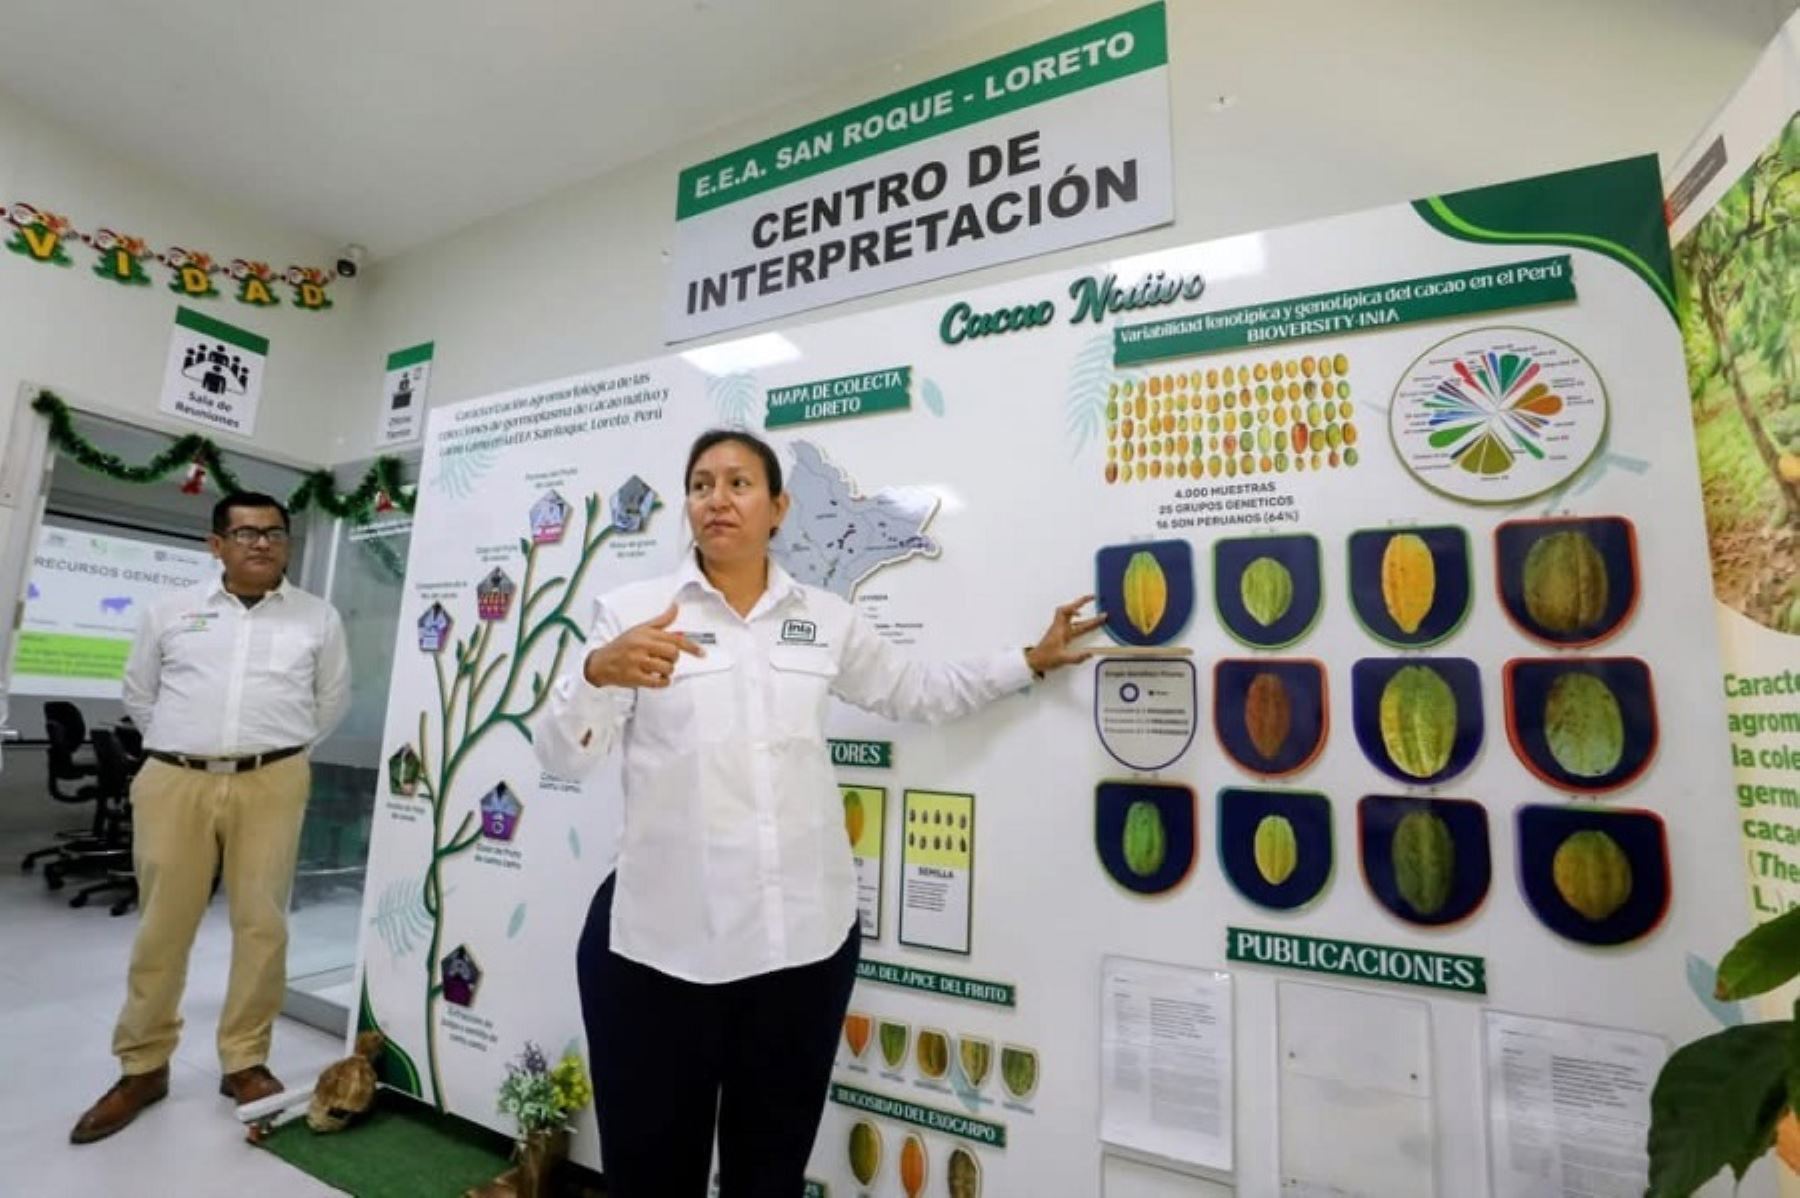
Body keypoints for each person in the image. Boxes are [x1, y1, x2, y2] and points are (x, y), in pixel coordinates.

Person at [534, 429, 1101, 1196]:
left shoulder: (827, 618)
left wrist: (1026, 662)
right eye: (701, 484)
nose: (717, 499)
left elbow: (916, 691)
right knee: (652, 1176)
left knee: (769, 1174)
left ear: (779, 507)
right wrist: (596, 673)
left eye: (738, 483)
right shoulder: (635, 613)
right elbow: (565, 759)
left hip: (799, 947)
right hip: (658, 952)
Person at [70, 492, 350, 1144]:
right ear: (216, 545)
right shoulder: (170, 612)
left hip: (273, 779)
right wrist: (188, 747)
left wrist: (273, 751)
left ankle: (245, 1060)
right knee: (163, 928)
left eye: (274, 533)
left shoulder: (317, 618)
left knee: (262, 925)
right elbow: (140, 692)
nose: (262, 543)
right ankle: (143, 1066)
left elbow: (330, 701)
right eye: (246, 533)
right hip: (176, 779)